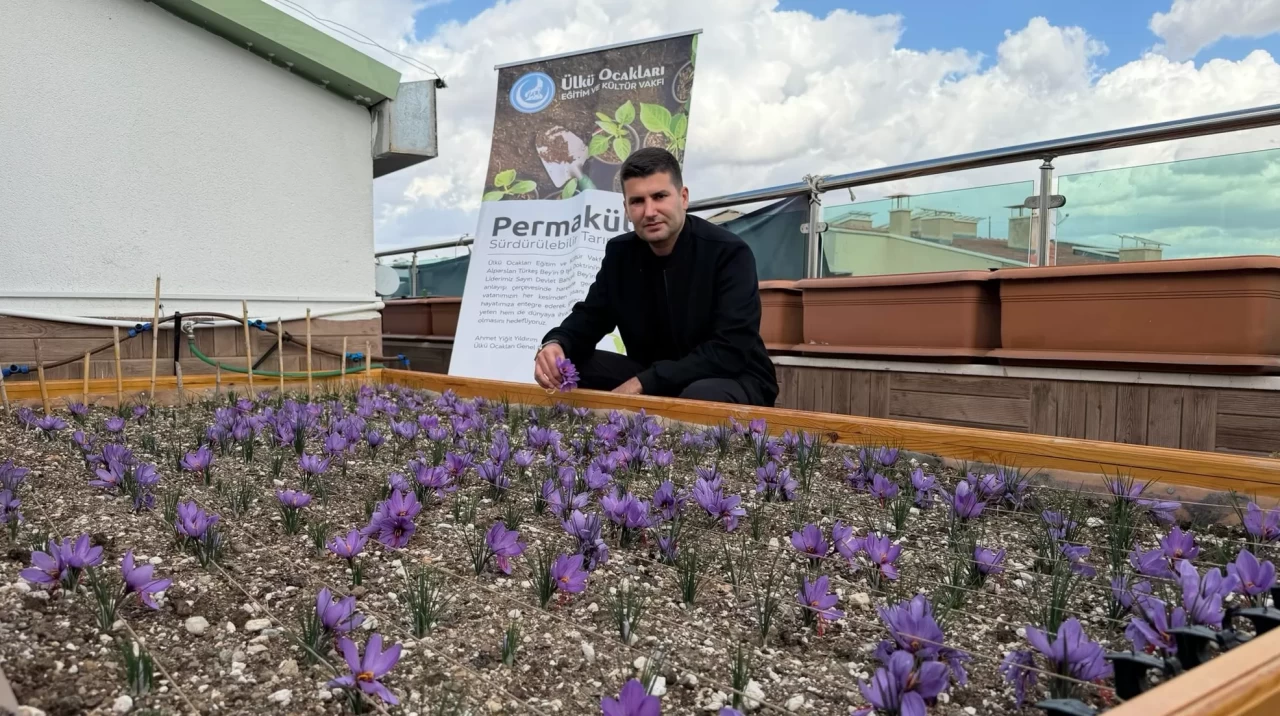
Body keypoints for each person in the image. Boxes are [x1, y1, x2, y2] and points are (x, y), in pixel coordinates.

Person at [532, 147, 778, 406]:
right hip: (652, 374)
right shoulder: (620, 255)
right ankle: (580, 440)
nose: (649, 212)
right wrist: (557, 343)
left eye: (659, 196)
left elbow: (730, 349)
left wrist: (644, 383)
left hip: (733, 377)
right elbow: (591, 316)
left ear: (683, 197)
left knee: (699, 397)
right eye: (637, 201)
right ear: (626, 208)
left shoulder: (728, 253)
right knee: (569, 366)